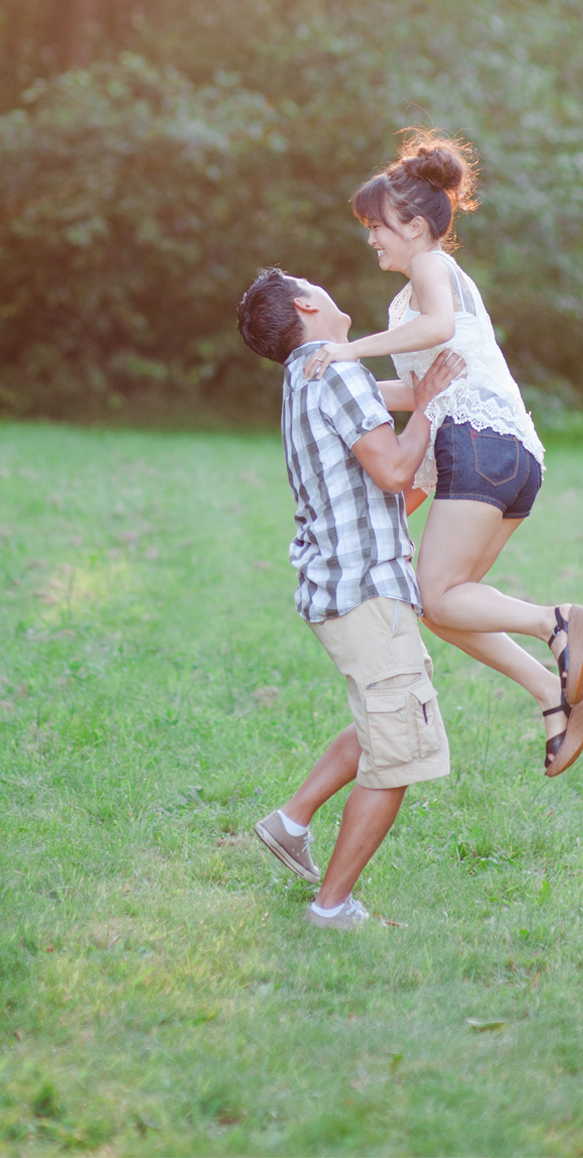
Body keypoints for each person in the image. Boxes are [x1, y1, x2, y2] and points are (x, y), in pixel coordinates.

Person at [297, 133, 583, 777]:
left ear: (413, 226)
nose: (372, 240)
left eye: (376, 227)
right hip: (512, 457)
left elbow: (435, 331)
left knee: (437, 598)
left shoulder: (430, 270)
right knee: (445, 605)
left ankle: (557, 622)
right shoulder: (422, 291)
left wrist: (347, 353)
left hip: (478, 445)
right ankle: (556, 698)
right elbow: (421, 387)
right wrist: (333, 384)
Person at [236, 266, 462, 929]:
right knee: (399, 754)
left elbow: (377, 494)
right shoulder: (332, 371)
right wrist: (426, 407)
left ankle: (290, 820)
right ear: (307, 304)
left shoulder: (305, 378)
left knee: (382, 718)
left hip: (344, 585)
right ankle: (331, 907)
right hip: (363, 591)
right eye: (315, 284)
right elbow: (391, 470)